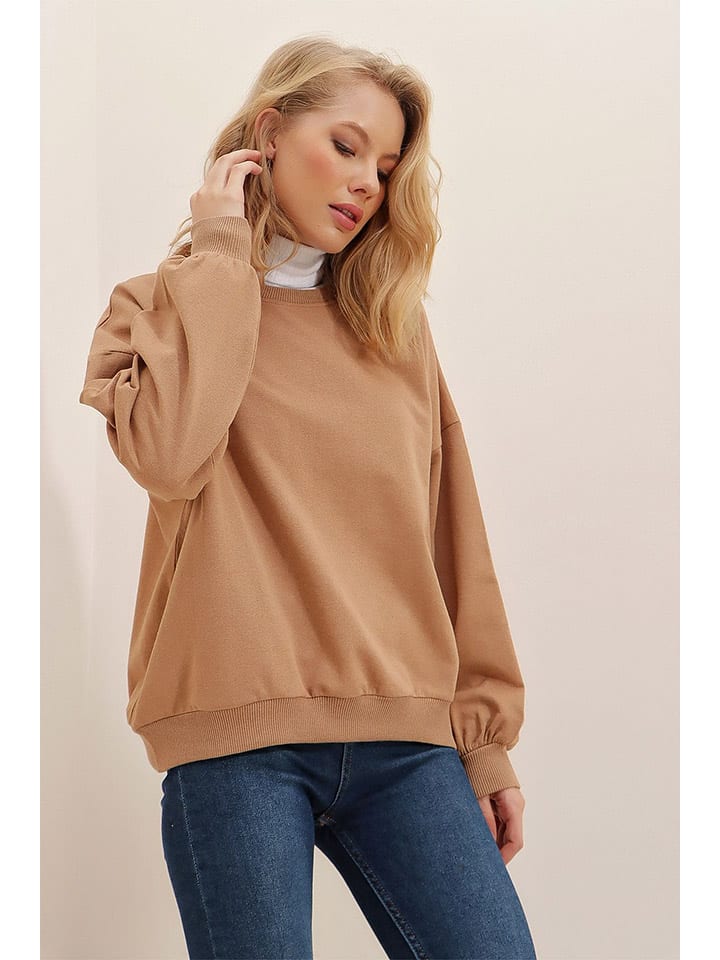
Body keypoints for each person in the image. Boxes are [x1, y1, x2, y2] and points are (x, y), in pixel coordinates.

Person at [78, 34, 537, 960]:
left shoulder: (392, 331)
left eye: (387, 167)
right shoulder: (153, 309)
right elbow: (169, 456)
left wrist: (483, 737)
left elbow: (453, 536)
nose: (367, 181)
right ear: (268, 134)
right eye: (346, 145)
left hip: (407, 739)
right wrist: (220, 250)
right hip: (235, 744)